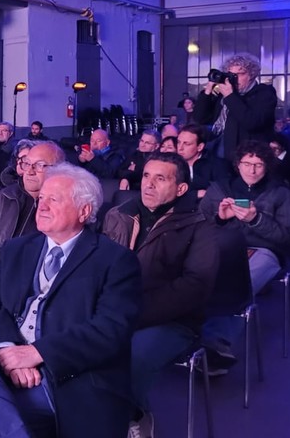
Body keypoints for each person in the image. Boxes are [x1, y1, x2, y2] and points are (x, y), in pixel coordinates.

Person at [0, 163, 142, 438]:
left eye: (54, 200)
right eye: (41, 198)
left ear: (84, 211)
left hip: (65, 375)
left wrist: (37, 353)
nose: (42, 206)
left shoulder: (115, 260)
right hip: (7, 362)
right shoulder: (17, 249)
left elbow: (110, 330)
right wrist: (8, 349)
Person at [102, 153, 220, 434]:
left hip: (173, 321)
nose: (149, 184)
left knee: (133, 357)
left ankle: (135, 418)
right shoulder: (118, 215)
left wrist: (132, 314)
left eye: (160, 178)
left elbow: (195, 287)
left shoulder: (199, 226)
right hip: (114, 311)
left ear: (181, 188)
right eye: (146, 176)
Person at [198, 139, 290, 373]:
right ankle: (195, 336)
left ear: (267, 166)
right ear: (238, 164)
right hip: (223, 247)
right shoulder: (219, 189)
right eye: (247, 164)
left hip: (264, 251)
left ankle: (215, 342)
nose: (252, 170)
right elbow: (198, 226)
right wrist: (220, 219)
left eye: (258, 165)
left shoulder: (281, 193)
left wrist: (256, 220)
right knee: (200, 278)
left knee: (239, 284)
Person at [194, 54, 278, 159]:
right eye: (231, 74)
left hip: (246, 155)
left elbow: (253, 122)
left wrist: (230, 96)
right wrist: (208, 90)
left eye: (240, 74)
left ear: (252, 75)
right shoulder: (225, 93)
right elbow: (200, 118)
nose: (234, 78)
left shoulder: (264, 93)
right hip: (216, 148)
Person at [0, 141, 65, 249]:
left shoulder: (64, 205)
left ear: (59, 169)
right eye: (27, 164)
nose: (30, 172)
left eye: (40, 165)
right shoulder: (5, 196)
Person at [177, 125, 229, 198]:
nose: (180, 148)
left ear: (200, 147)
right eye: (178, 142)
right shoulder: (172, 164)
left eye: (187, 144)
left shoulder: (218, 165)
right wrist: (195, 194)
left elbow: (223, 193)